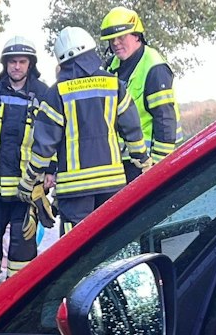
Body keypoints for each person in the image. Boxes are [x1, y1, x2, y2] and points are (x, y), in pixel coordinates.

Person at [29, 27, 146, 233]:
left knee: (76, 251)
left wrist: (31, 180)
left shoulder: (56, 93)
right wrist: (143, 161)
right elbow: (132, 129)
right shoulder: (114, 84)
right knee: (110, 242)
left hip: (75, 192)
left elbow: (44, 144)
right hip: (112, 185)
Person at [0, 36, 57, 291]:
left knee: (23, 242)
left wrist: (50, 170)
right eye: (12, 62)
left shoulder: (44, 93)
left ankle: (18, 292)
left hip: (26, 186)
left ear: (30, 64)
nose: (16, 67)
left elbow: (53, 134)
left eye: (22, 62)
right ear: (5, 64)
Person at [100, 6, 179, 180]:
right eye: (111, 39)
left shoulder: (154, 66)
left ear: (136, 35)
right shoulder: (110, 66)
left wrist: (158, 169)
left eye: (121, 37)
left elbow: (165, 119)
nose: (115, 43)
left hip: (147, 162)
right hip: (122, 161)